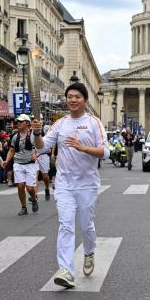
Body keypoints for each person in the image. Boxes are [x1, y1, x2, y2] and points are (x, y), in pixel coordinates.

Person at [33, 82, 110, 289]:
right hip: (65, 183)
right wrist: (37, 133)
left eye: (77, 96)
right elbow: (42, 147)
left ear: (85, 100)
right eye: (70, 97)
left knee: (86, 226)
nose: (73, 100)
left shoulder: (94, 123)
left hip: (87, 184)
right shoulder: (60, 124)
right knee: (66, 224)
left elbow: (105, 152)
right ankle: (66, 270)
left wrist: (83, 147)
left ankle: (89, 252)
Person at [3, 114, 38, 215]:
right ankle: (24, 207)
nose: (18, 123)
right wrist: (6, 160)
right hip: (18, 163)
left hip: (30, 164)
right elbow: (12, 150)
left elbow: (41, 147)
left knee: (30, 188)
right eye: (17, 121)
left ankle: (34, 199)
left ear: (27, 123)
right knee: (20, 186)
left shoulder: (33, 135)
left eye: (20, 121)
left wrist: (36, 155)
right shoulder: (15, 137)